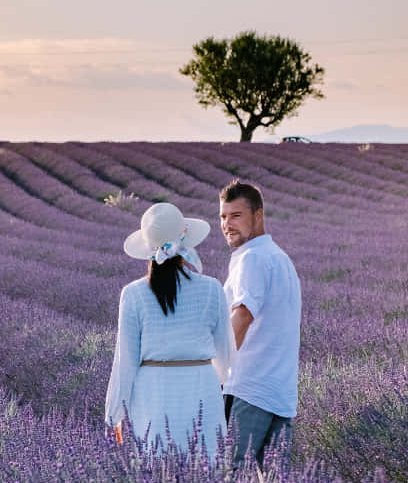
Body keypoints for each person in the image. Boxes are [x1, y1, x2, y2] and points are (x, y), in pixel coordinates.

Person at [105, 202, 234, 457]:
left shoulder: (133, 294)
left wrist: (114, 415)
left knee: (159, 476)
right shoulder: (212, 288)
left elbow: (125, 362)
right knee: (208, 476)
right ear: (185, 240)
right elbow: (226, 357)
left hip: (153, 393)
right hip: (201, 390)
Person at [219, 180, 301, 467]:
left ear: (258, 215)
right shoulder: (280, 258)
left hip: (248, 390)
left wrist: (216, 372)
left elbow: (242, 315)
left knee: (232, 479)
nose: (227, 224)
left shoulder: (252, 258)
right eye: (223, 216)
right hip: (280, 393)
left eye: (236, 216)